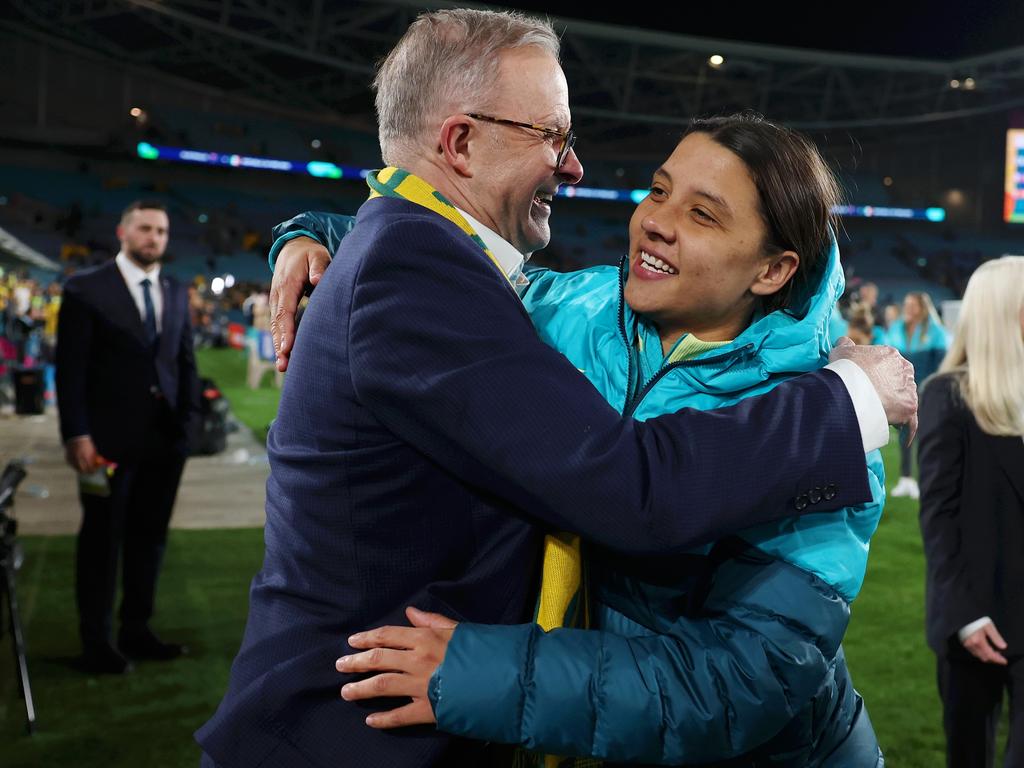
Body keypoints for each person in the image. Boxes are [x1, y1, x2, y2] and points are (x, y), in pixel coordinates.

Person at [198, 11, 915, 768]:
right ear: (461, 143)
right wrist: (316, 232)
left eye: (702, 214)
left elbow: (739, 680)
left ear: (774, 269)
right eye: (658, 190)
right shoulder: (578, 311)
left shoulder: (828, 427)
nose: (650, 221)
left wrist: (482, 674)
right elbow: (433, 255)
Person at [56, 199, 199, 674]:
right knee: (102, 542)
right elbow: (70, 370)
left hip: (165, 441)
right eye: (144, 228)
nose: (153, 237)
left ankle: (136, 630)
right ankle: (95, 641)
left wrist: (190, 425)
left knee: (149, 540)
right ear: (122, 231)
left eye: (160, 230)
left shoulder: (177, 291)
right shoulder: (85, 289)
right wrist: (76, 433)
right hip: (105, 443)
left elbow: (184, 364)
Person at [918, 256, 1024, 768]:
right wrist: (966, 615)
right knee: (969, 755)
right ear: (1005, 315)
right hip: (974, 619)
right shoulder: (948, 396)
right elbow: (938, 517)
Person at [887, 291, 948, 499]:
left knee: (925, 436)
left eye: (913, 305)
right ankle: (906, 479)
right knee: (905, 434)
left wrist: (928, 389)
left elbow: (941, 365)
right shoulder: (896, 328)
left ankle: (925, 480)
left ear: (922, 308)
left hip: (926, 390)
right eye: (907, 304)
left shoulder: (936, 331)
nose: (908, 308)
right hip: (903, 390)